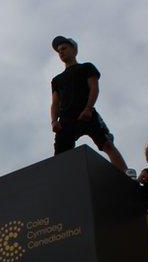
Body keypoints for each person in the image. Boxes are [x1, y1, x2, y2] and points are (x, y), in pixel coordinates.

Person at [49, 36, 130, 174]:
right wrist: (53, 121)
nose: (61, 52)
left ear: (74, 50)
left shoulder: (86, 67)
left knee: (107, 144)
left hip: (86, 114)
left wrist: (88, 108)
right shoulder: (57, 80)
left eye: (64, 48)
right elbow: (55, 103)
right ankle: (63, 185)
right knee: (61, 157)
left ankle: (127, 177)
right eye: (59, 51)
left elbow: (94, 88)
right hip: (66, 121)